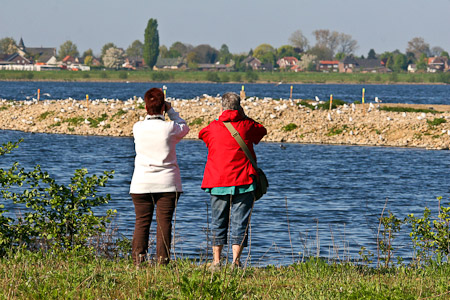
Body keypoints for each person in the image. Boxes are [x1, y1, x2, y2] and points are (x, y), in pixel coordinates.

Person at [199, 92, 267, 269]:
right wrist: (244, 116)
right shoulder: (247, 125)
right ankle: (235, 262)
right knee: (240, 222)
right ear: (239, 107)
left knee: (218, 221)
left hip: (218, 181)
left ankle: (216, 261)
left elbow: (202, 135)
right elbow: (262, 131)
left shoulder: (213, 127)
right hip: (244, 180)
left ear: (222, 107)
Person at [129, 87, 189, 266]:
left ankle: (139, 261)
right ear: (162, 106)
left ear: (146, 107)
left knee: (141, 222)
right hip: (167, 184)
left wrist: (163, 109)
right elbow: (184, 127)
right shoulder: (170, 127)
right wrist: (171, 111)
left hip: (141, 183)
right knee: (164, 224)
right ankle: (162, 262)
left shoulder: (137, 127)